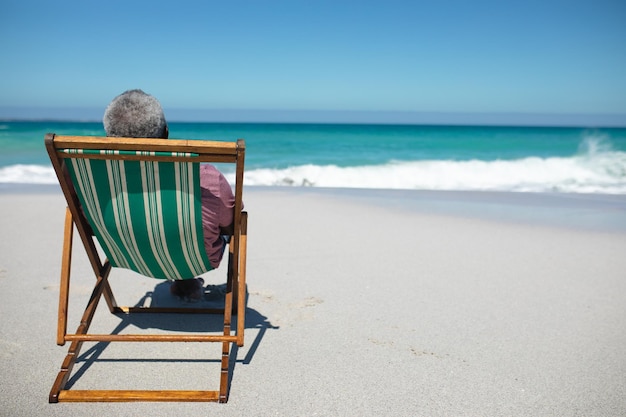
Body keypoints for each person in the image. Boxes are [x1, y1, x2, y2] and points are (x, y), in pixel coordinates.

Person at [103, 89, 235, 301]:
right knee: (206, 224)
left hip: (127, 254)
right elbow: (230, 222)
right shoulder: (205, 178)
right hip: (197, 259)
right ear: (165, 133)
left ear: (108, 139)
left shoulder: (95, 181)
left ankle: (185, 282)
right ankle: (185, 277)